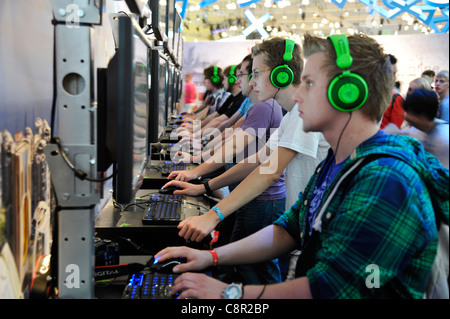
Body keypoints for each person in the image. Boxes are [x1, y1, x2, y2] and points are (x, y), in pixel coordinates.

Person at [155, 34, 449, 299]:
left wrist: (229, 294)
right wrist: (211, 258)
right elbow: (287, 229)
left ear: (347, 93)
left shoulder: (386, 181)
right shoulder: (336, 164)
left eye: (308, 84)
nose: (296, 95)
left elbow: (331, 289)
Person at [163, 37, 328, 281]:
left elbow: (270, 171)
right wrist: (203, 186)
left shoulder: (303, 115)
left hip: (313, 236)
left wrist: (214, 215)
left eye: (256, 74)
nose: (250, 82)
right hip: (300, 228)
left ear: (281, 76)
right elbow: (258, 161)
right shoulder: (292, 116)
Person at [168, 53, 287, 285]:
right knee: (245, 267)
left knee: (255, 270)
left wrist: (198, 176)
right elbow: (231, 137)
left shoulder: (265, 108)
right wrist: (199, 165)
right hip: (252, 196)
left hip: (261, 200)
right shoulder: (258, 106)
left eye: (250, 74)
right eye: (245, 75)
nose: (244, 80)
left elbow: (245, 155)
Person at [388, 89, 449, 169]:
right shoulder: (415, 130)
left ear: (423, 116)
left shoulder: (445, 137)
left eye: (410, 113)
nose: (406, 116)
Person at [380, 54, 404, 129]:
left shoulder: (396, 99)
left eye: (395, 73)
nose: (394, 78)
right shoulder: (367, 95)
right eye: (391, 73)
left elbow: (395, 131)